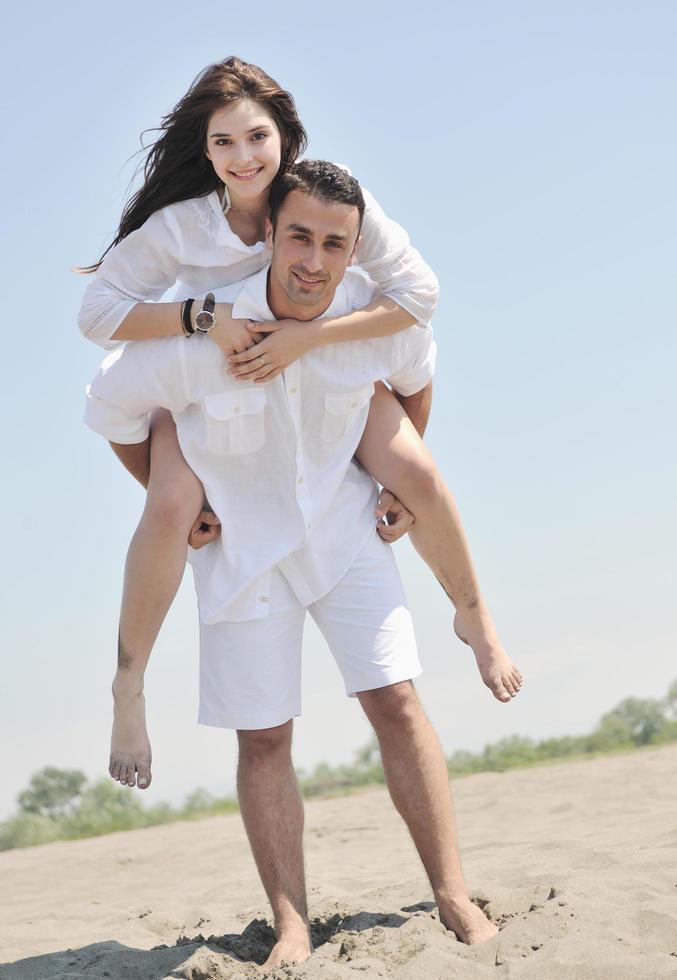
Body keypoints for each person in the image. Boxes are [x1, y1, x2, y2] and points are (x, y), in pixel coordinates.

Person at [84, 161, 500, 964]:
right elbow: (109, 409)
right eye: (299, 236)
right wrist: (180, 498)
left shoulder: (377, 322)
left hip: (342, 535)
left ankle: (453, 894)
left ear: (354, 251)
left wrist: (395, 484)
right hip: (241, 554)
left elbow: (416, 381)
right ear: (269, 232)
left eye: (334, 245)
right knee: (264, 739)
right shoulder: (201, 338)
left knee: (398, 704)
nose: (313, 260)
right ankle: (293, 926)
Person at [77, 56, 521, 794]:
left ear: (284, 135)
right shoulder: (184, 227)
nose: (243, 157)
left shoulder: (322, 196)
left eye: (256, 137)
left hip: (322, 366)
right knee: (171, 507)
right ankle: (129, 688)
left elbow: (417, 297)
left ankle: (472, 616)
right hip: (212, 382)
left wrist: (311, 339)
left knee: (414, 469)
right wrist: (201, 317)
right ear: (205, 151)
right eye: (223, 143)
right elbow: (96, 319)